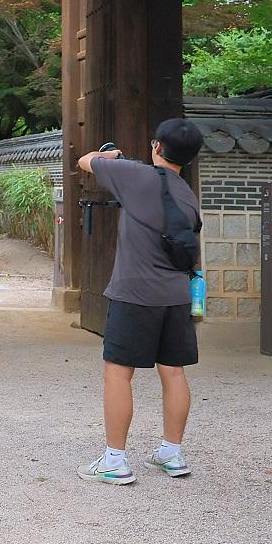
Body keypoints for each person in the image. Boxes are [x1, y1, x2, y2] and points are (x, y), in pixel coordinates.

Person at [75, 118, 205, 485]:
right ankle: (171, 453)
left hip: (134, 293)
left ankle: (115, 461)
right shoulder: (187, 194)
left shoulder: (134, 175)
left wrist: (110, 155)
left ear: (157, 147)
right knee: (174, 372)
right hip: (176, 296)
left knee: (118, 372)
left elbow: (85, 161)